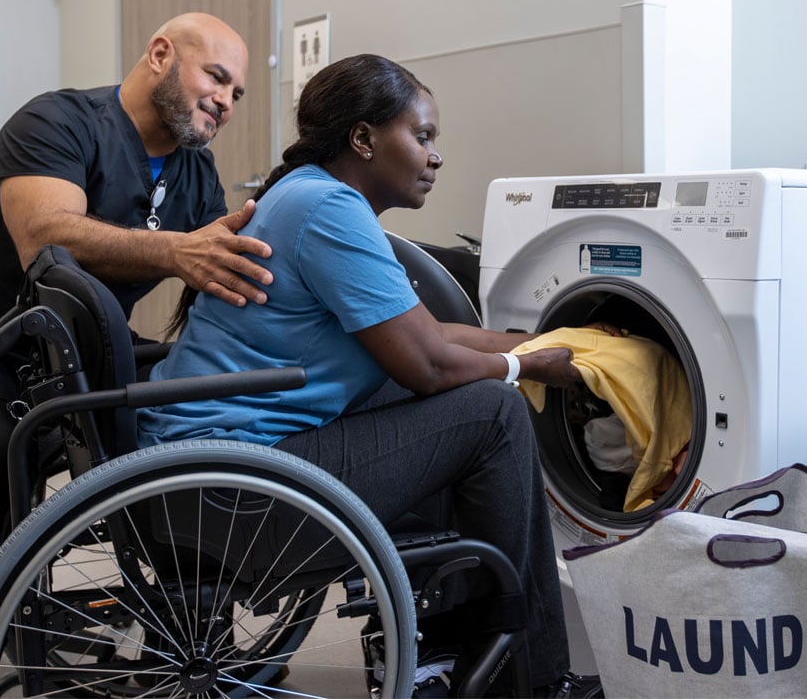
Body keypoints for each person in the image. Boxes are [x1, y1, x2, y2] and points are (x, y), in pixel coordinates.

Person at [137, 54, 609, 697]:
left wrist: (548, 342)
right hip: (237, 496)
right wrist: (524, 367)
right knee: (489, 411)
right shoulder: (329, 208)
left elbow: (424, 335)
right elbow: (430, 362)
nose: (435, 156)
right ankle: (535, 680)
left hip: (194, 482)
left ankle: (433, 651)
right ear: (363, 139)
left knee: (421, 396)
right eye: (422, 137)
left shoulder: (302, 194)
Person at [0, 12, 274, 698]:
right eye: (216, 77)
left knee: (194, 408)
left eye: (238, 93)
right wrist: (178, 250)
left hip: (76, 355)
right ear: (160, 55)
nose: (226, 102)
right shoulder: (57, 122)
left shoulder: (195, 175)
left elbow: (207, 286)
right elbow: (44, 240)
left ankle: (193, 647)